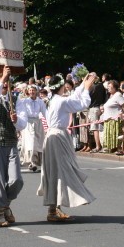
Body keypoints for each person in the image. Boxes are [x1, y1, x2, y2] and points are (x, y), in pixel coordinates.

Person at [38, 73, 97, 222]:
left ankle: (53, 208)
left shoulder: (54, 100)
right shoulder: (60, 101)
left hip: (54, 136)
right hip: (58, 136)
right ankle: (55, 208)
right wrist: (87, 88)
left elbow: (73, 98)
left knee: (55, 171)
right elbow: (82, 103)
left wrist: (83, 85)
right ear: (62, 86)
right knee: (62, 170)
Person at [0, 66, 27, 226]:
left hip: (11, 141)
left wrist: (17, 121)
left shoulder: (16, 99)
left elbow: (23, 123)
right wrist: (2, 80)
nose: (6, 83)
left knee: (16, 180)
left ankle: (5, 204)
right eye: (2, 79)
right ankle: (0, 213)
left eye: (8, 80)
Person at [16, 84, 47, 171]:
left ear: (36, 91)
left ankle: (34, 161)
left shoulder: (40, 102)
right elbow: (20, 112)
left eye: (33, 90)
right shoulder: (24, 101)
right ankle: (32, 162)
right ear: (28, 91)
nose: (32, 92)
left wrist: (50, 123)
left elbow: (45, 112)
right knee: (31, 142)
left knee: (37, 143)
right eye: (30, 90)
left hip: (38, 123)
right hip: (28, 123)